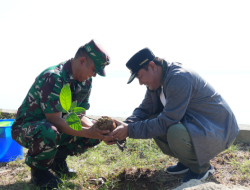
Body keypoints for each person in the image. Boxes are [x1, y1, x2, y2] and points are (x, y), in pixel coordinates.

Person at [108, 48, 239, 183]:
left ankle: (201, 168)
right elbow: (145, 110)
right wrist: (125, 125)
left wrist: (129, 131)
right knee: (153, 119)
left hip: (218, 129)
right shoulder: (158, 81)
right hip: (198, 125)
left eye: (140, 76)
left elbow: (167, 121)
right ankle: (187, 161)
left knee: (173, 130)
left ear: (152, 67)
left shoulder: (178, 78)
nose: (140, 82)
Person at [11, 39, 114, 190]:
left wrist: (97, 130)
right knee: (49, 131)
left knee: (97, 128)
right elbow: (55, 120)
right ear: (82, 61)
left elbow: (79, 115)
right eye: (93, 69)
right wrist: (89, 132)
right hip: (27, 128)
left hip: (55, 125)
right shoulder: (53, 77)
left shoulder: (85, 81)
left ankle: (58, 160)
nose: (94, 75)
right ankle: (39, 173)